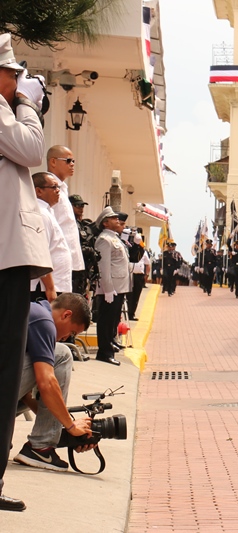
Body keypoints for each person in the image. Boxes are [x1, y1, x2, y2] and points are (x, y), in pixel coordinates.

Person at [0, 34, 53, 512]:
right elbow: (33, 148)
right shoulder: (5, 110)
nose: (18, 84)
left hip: (8, 256)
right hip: (6, 260)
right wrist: (27, 104)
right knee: (3, 369)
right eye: (13, 75)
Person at [13, 294, 94, 472]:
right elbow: (47, 383)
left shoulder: (33, 311)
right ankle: (41, 447)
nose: (66, 338)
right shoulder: (44, 321)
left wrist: (64, 428)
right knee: (62, 354)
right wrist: (71, 426)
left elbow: (25, 397)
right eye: (72, 333)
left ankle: (43, 442)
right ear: (66, 315)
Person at [45, 145, 86, 296]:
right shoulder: (48, 189)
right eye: (68, 161)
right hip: (56, 267)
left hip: (70, 265)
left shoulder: (62, 189)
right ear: (53, 162)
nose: (72, 164)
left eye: (73, 161)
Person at [94, 206, 131, 366]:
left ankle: (109, 345)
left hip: (119, 286)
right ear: (105, 223)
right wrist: (108, 289)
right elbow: (104, 267)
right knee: (106, 321)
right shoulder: (104, 240)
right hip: (111, 288)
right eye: (113, 218)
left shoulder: (114, 238)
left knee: (112, 320)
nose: (117, 220)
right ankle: (104, 352)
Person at [31, 172, 72, 302]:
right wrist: (50, 287)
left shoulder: (47, 212)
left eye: (58, 187)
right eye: (54, 187)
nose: (58, 190)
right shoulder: (41, 214)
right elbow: (41, 253)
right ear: (39, 191)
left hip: (55, 285)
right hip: (44, 288)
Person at [68, 194, 95, 295]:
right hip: (73, 269)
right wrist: (87, 250)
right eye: (77, 205)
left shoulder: (80, 224)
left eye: (82, 206)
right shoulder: (69, 223)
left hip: (83, 268)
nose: (81, 208)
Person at [127, 233, 150, 320]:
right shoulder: (128, 249)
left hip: (139, 276)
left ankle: (131, 314)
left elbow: (147, 264)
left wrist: (146, 274)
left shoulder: (143, 251)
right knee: (129, 295)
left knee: (136, 295)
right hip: (129, 275)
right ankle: (128, 312)